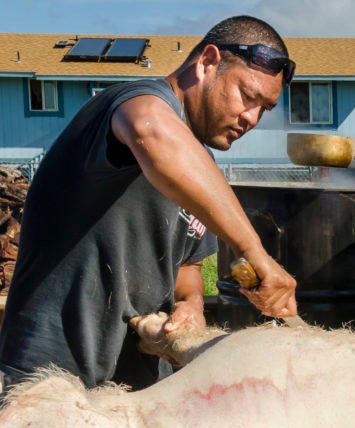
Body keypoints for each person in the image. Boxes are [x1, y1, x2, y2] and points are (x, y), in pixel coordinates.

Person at [0, 15, 298, 391]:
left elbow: (186, 272)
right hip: (50, 381)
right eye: (247, 96)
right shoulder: (133, 103)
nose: (251, 117)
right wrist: (253, 250)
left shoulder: (196, 169)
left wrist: (190, 307)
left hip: (134, 395)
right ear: (207, 62)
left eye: (265, 109)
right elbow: (148, 128)